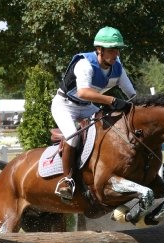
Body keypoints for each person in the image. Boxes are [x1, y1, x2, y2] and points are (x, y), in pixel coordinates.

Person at [51, 26, 137, 200]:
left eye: (118, 50)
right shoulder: (85, 64)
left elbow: (132, 95)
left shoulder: (117, 67)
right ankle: (67, 181)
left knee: (111, 131)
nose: (116, 54)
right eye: (112, 50)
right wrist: (112, 101)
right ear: (99, 49)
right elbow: (83, 92)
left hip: (86, 106)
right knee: (74, 136)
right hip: (64, 105)